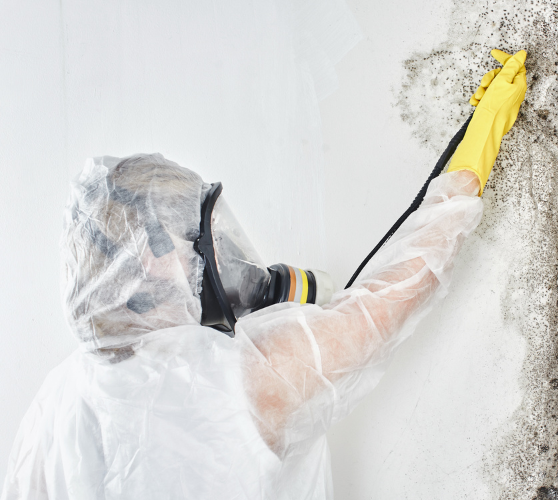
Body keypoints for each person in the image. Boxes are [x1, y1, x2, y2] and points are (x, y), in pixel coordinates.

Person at [1, 49, 527, 500]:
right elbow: (388, 302)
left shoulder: (52, 405)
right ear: (147, 257)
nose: (209, 255)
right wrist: (475, 152)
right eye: (192, 238)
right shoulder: (220, 384)